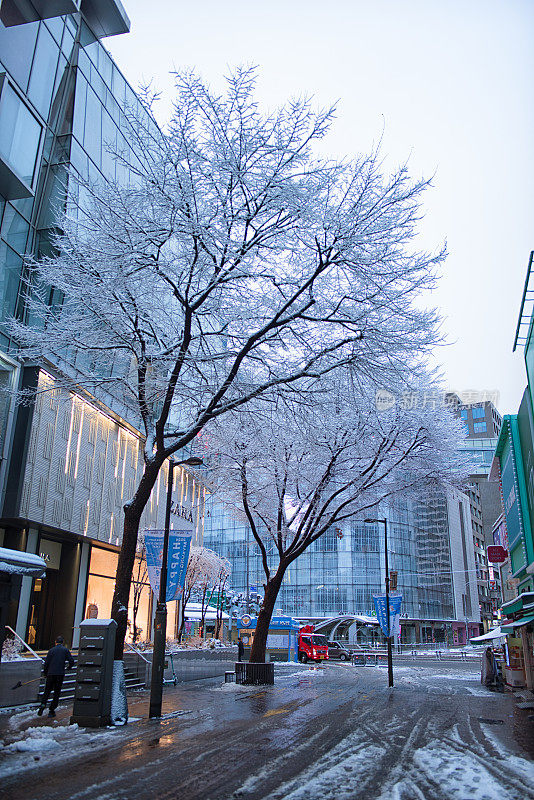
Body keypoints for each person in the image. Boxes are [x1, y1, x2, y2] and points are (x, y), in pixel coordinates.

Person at [38, 635, 74, 717]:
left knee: (47, 691)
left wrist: (45, 673)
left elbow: (46, 663)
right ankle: (52, 710)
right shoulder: (65, 650)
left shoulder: (51, 651)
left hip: (51, 673)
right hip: (59, 674)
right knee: (56, 693)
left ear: (55, 642)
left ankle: (43, 705)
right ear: (63, 642)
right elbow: (71, 660)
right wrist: (69, 667)